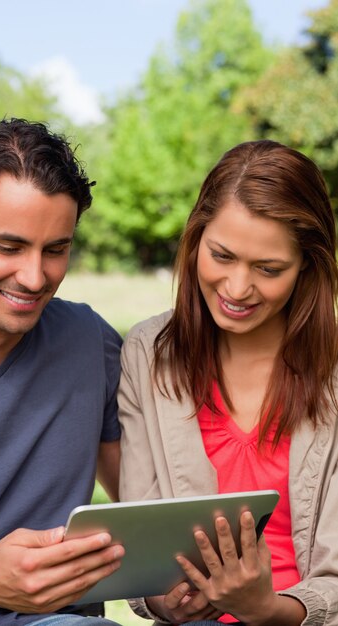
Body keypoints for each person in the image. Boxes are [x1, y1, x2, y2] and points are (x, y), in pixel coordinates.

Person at [118, 139, 338, 626]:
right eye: (222, 256)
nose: (237, 289)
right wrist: (163, 600)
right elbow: (141, 542)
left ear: (308, 266)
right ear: (196, 240)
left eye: (269, 269)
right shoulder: (148, 353)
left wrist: (266, 608)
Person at [0, 118, 125, 626]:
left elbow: (140, 505)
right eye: (9, 247)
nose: (35, 278)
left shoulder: (89, 340)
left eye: (56, 250)